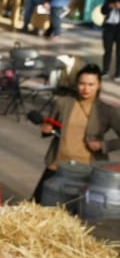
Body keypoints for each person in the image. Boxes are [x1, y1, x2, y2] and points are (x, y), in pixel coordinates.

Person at [32, 64, 120, 203]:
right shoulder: (63, 103)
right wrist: (46, 129)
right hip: (57, 165)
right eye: (82, 84)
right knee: (38, 205)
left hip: (87, 169)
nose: (86, 89)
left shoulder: (107, 110)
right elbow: (51, 125)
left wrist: (104, 145)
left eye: (91, 84)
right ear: (76, 84)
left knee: (77, 210)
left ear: (98, 85)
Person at [101, 0, 120, 79]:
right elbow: (103, 11)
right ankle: (105, 71)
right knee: (108, 50)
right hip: (109, 27)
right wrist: (110, 6)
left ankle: (118, 73)